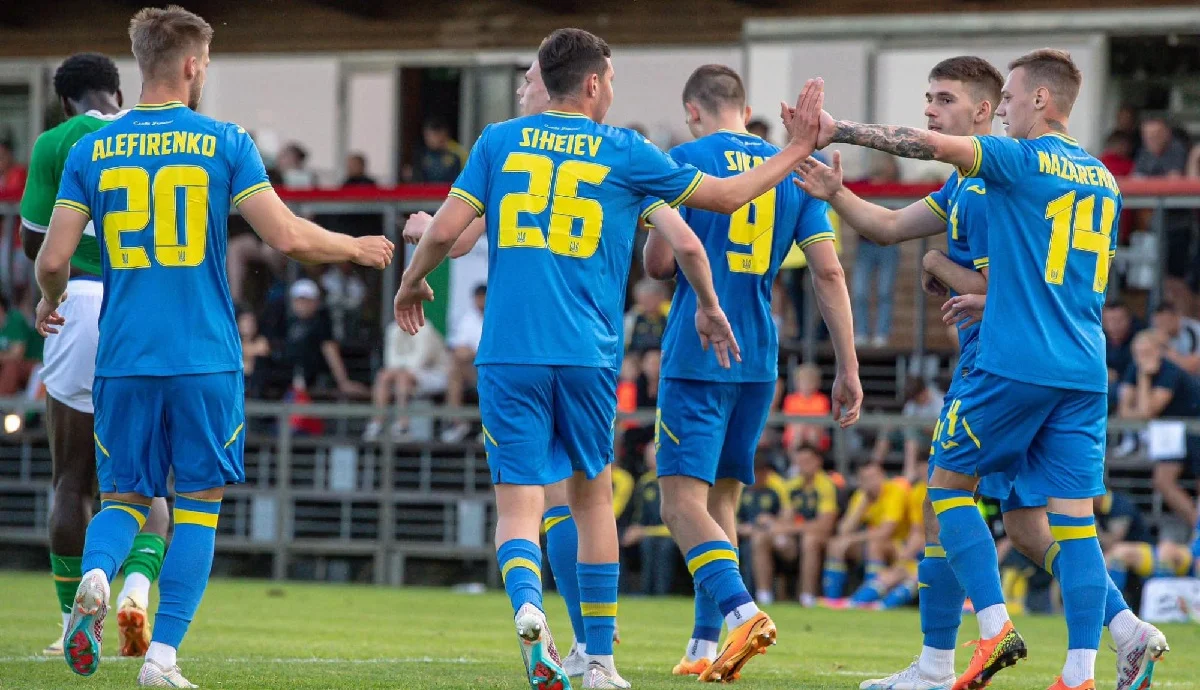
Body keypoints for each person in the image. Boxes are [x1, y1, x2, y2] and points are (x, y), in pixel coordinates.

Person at [395, 27, 827, 690]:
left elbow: (449, 234)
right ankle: (598, 659)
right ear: (594, 83)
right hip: (589, 354)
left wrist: (411, 280)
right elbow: (723, 200)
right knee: (593, 499)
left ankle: (530, 610)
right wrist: (796, 148)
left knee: (519, 506)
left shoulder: (498, 141)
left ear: (545, 82)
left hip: (509, 350)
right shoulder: (625, 151)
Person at [35, 7, 393, 687]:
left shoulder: (90, 151)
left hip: (123, 357)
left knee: (122, 500)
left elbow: (53, 259)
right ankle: (162, 659)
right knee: (197, 508)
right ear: (193, 65)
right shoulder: (224, 142)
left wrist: (48, 301)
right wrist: (356, 247)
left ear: (141, 62)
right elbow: (285, 237)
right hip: (203, 356)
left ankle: (95, 579)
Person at [824, 48, 1167, 690]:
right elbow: (1042, 271)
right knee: (1050, 526)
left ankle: (978, 636)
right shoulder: (1103, 178)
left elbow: (933, 160)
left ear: (1032, 100)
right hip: (1081, 365)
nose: (1005, 110)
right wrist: (836, 191)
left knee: (947, 492)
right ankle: (1098, 657)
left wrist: (835, 130)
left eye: (1006, 99)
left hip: (1008, 359)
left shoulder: (1011, 164)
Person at [640, 63, 859, 682]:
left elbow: (660, 264)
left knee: (680, 504)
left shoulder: (684, 159)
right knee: (723, 500)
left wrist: (656, 219)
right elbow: (828, 272)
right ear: (743, 107)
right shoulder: (789, 168)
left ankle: (743, 612)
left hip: (698, 350)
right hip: (759, 359)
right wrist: (847, 365)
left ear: (692, 110)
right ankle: (705, 645)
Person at [18, 51, 172, 659]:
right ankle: (135, 592)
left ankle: (70, 623)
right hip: (145, 304)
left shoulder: (57, 142)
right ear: (119, 93)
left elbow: (36, 241)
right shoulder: (155, 137)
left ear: (65, 101)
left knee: (70, 479)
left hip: (77, 301)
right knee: (145, 481)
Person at [1119, 329, 1200, 528]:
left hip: (1195, 427)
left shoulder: (1170, 370)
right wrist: (1143, 375)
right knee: (1163, 481)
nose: (1142, 358)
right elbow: (1124, 411)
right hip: (1172, 432)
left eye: (1147, 352)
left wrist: (1144, 378)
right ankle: (1197, 528)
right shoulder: (1135, 368)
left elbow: (1147, 411)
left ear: (1159, 351)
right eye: (1138, 353)